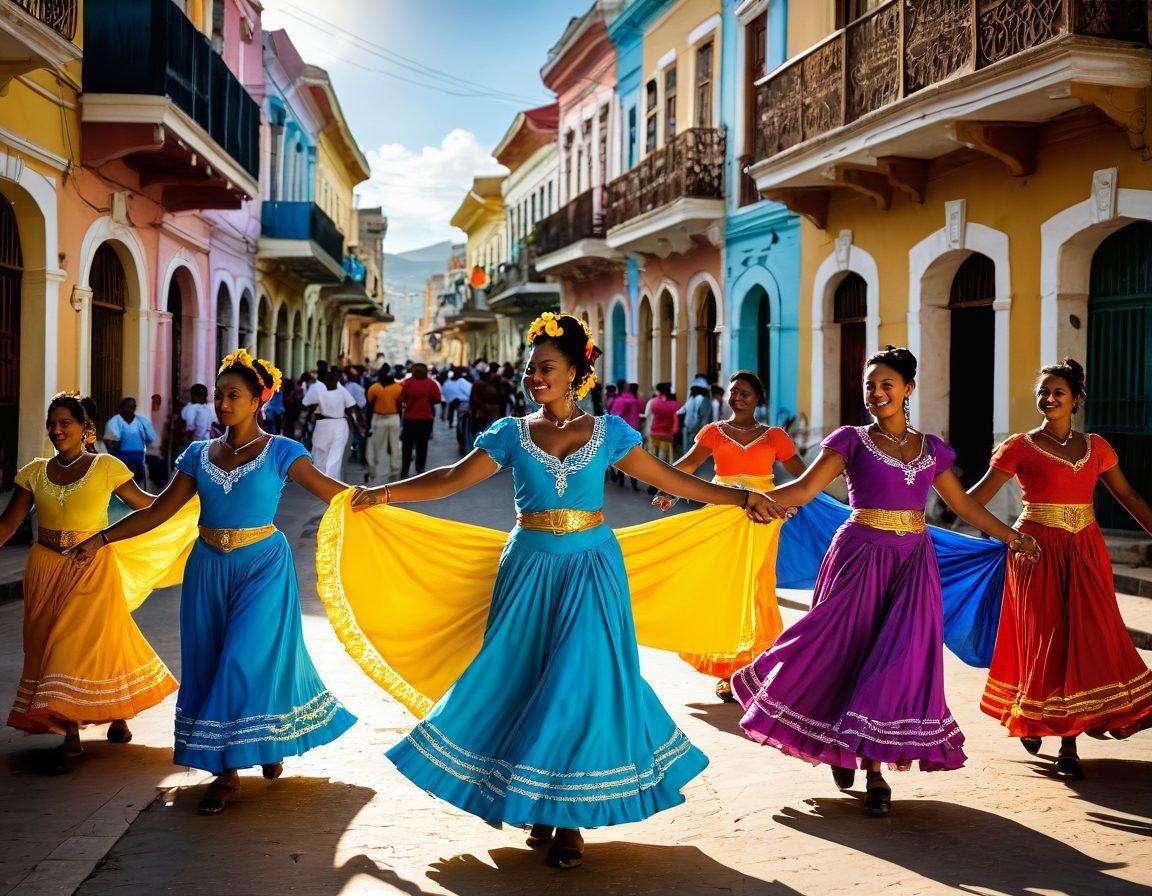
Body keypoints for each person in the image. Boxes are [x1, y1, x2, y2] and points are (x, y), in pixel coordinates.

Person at [316, 312, 787, 870]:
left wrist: (738, 499)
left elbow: (671, 479)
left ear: (575, 374)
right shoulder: (510, 434)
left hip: (593, 568)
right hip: (529, 569)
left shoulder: (611, 432)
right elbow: (451, 479)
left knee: (581, 681)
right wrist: (385, 494)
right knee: (526, 678)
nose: (534, 377)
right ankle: (539, 798)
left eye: (546, 368)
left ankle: (568, 820)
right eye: (530, 369)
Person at [731, 346, 1041, 817]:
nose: (876, 393)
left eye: (886, 385)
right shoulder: (850, 441)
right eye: (870, 386)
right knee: (841, 649)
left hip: (914, 563)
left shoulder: (932, 449)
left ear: (909, 389)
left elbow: (962, 506)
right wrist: (753, 499)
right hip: (858, 557)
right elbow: (805, 489)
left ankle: (874, 770)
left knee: (899, 659)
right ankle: (834, 738)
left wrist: (1011, 537)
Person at [66, 350, 357, 815]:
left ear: (258, 399)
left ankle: (226, 773)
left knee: (243, 657)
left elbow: (334, 493)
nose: (222, 403)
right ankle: (253, 746)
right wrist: (102, 538)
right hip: (207, 568)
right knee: (211, 659)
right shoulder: (198, 455)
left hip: (263, 565)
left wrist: (385, 500)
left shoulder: (284, 451)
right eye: (219, 395)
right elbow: (159, 511)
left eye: (233, 395)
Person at [967, 358, 1152, 779]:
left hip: (1087, 550)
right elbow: (972, 499)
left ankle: (1069, 731)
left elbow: (1129, 496)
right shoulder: (1018, 447)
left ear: (1076, 400)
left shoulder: (1097, 448)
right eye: (1043, 392)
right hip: (1036, 551)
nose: (1048, 399)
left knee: (1088, 635)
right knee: (1046, 638)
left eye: (1058, 393)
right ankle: (1053, 731)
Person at [0, 393, 198, 772]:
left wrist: (192, 499)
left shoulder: (106, 466)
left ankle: (70, 733)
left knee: (71, 644)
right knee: (52, 642)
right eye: (52, 423)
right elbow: (8, 525)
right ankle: (117, 714)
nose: (57, 430)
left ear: (84, 428)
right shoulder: (33, 472)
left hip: (91, 565)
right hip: (43, 567)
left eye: (66, 424)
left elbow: (147, 505)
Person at [653, 371, 807, 701]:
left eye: (746, 393)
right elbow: (688, 465)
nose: (738, 397)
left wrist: (794, 500)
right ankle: (726, 672)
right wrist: (670, 489)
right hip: (722, 514)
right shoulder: (714, 432)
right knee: (725, 589)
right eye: (734, 391)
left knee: (757, 588)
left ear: (758, 400)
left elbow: (804, 476)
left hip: (763, 519)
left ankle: (757, 666)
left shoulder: (774, 436)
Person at [303, 369, 362, 479]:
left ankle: (330, 482)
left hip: (336, 424)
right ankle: (323, 480)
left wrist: (356, 426)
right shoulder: (320, 390)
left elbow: (351, 408)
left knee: (333, 457)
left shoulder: (338, 391)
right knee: (321, 453)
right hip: (326, 424)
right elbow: (352, 408)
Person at [399, 363, 441, 477]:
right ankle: (420, 470)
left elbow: (401, 399)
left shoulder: (408, 383)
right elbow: (437, 399)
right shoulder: (431, 384)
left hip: (409, 419)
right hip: (425, 419)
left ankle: (405, 471)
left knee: (407, 446)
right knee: (422, 446)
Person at [103, 397, 156, 487]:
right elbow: (107, 440)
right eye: (129, 407)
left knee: (138, 485)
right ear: (121, 408)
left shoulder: (142, 422)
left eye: (133, 407)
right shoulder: (114, 422)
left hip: (138, 460)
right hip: (120, 460)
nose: (132, 409)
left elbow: (150, 438)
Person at [364, 369, 402, 483]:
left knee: (376, 447)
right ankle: (394, 472)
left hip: (379, 419)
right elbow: (400, 407)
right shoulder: (398, 388)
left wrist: (368, 424)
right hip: (393, 418)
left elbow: (369, 408)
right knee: (394, 446)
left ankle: (376, 472)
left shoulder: (374, 388)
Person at [647, 383, 680, 464]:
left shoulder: (653, 402)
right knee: (668, 453)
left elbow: (652, 413)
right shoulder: (674, 404)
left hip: (654, 433)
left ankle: (654, 462)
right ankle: (666, 464)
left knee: (654, 451)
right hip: (667, 434)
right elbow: (676, 418)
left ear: (658, 391)